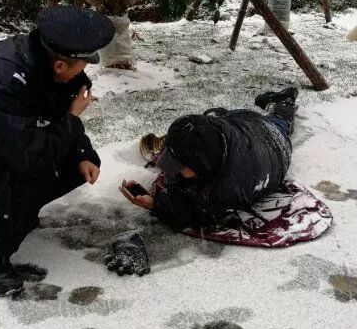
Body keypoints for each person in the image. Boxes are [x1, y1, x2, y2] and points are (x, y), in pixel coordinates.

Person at [0, 6, 115, 296]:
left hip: (3, 149)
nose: (84, 72)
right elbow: (32, 156)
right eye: (82, 65)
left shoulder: (47, 63)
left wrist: (82, 154)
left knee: (74, 166)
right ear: (60, 66)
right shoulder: (3, 83)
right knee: (35, 174)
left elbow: (54, 122)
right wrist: (73, 120)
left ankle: (14, 214)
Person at [121, 87, 299, 229]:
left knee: (279, 122)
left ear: (203, 165)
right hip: (239, 123)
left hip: (274, 144)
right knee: (211, 115)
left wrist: (155, 205)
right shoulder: (211, 130)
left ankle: (284, 103)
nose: (174, 171)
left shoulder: (231, 186)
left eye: (181, 165)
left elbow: (197, 214)